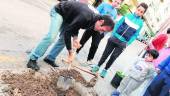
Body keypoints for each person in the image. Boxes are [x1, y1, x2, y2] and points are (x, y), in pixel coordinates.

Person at [27, 1, 115, 71]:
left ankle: (50, 58)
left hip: (69, 18)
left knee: (63, 40)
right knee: (52, 36)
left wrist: (75, 39)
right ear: (101, 22)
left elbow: (75, 27)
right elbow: (68, 33)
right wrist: (70, 52)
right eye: (102, 29)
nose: (100, 32)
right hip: (59, 11)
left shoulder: (93, 20)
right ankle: (32, 59)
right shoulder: (86, 17)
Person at [91, 2, 148, 78]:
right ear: (136, 9)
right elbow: (118, 24)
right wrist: (113, 35)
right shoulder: (128, 15)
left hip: (123, 43)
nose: (139, 12)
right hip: (114, 38)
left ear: (143, 14)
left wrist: (127, 43)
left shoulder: (140, 23)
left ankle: (105, 70)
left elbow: (135, 35)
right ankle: (97, 66)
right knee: (105, 53)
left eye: (141, 12)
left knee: (113, 57)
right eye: (138, 10)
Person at [76, 0, 124, 65]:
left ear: (119, 5)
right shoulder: (104, 4)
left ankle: (89, 60)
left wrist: (104, 34)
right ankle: (75, 53)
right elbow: (95, 13)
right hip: (93, 26)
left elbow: (111, 25)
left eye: (118, 3)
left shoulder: (115, 12)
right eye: (115, 1)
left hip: (100, 31)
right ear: (113, 1)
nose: (116, 3)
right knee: (83, 40)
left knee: (95, 45)